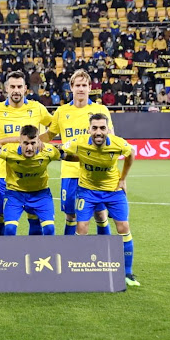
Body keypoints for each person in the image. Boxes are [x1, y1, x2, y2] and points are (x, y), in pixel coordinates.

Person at [60, 113, 139, 287]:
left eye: (102, 128)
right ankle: (76, 268)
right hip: (87, 191)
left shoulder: (117, 143)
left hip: (113, 191)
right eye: (94, 128)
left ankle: (127, 273)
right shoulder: (79, 142)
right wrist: (71, 157)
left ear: (108, 129)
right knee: (81, 227)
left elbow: (131, 153)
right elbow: (61, 150)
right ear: (89, 129)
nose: (98, 132)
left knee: (123, 227)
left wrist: (123, 178)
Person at [40, 69, 113, 236]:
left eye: (84, 85)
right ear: (71, 87)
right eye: (78, 85)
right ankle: (69, 253)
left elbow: (111, 137)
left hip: (94, 172)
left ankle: (105, 252)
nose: (81, 89)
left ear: (89, 88)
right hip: (70, 172)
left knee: (100, 214)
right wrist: (34, 141)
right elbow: (50, 134)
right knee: (71, 215)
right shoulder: (62, 111)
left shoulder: (100, 111)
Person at [0, 71, 52, 236]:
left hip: (31, 173)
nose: (16, 90)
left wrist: (40, 140)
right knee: (0, 218)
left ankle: (34, 255)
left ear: (25, 89)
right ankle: (0, 257)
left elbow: (54, 126)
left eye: (19, 86)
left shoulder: (36, 108)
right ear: (6, 88)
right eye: (12, 86)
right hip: (3, 173)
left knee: (34, 216)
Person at [0, 125, 62, 236]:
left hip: (40, 194)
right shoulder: (7, 151)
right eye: (26, 143)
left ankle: (45, 253)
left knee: (49, 229)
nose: (29, 148)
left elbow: (68, 155)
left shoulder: (49, 151)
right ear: (19, 142)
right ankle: (9, 253)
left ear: (38, 142)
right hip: (15, 194)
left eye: (33, 143)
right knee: (10, 229)